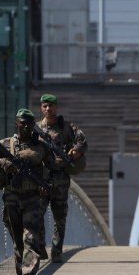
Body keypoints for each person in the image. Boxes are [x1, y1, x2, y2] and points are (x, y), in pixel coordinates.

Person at [0, 108, 57, 275]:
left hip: (32, 199)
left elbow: (54, 170)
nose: (26, 126)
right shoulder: (5, 144)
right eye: (23, 123)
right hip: (11, 199)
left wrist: (47, 185)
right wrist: (2, 163)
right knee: (18, 244)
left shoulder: (42, 147)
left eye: (30, 123)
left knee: (29, 238)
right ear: (16, 123)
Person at [38, 93, 88, 263]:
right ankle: (40, 249)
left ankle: (56, 252)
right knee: (37, 215)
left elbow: (82, 142)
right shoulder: (36, 129)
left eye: (51, 106)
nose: (48, 109)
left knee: (60, 217)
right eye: (45, 106)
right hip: (41, 180)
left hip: (60, 180)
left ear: (56, 107)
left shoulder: (67, 128)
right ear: (41, 108)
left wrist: (73, 153)